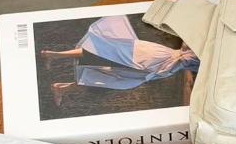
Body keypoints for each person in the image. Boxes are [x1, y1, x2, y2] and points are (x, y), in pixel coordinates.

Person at [40, 15, 199, 105]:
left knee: (110, 71)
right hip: (157, 60)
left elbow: (187, 53)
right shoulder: (204, 56)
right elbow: (186, 53)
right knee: (106, 55)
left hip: (158, 62)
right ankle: (55, 64)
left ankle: (60, 82)